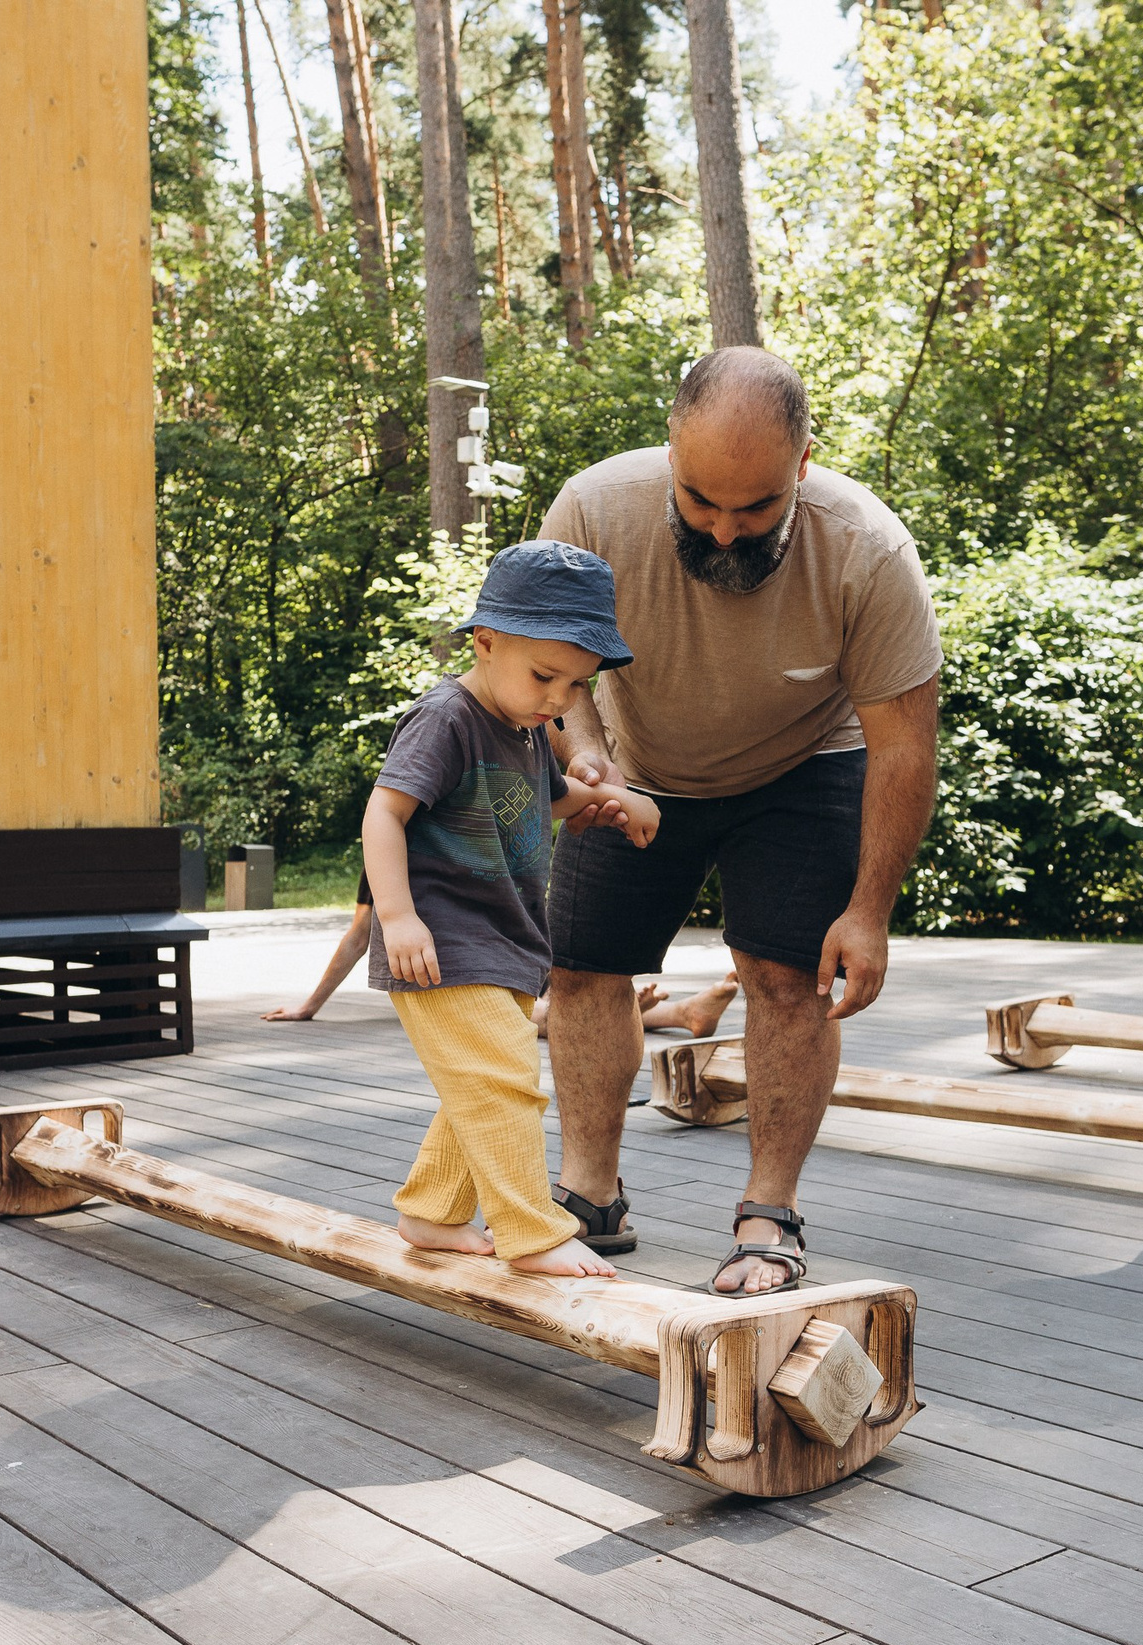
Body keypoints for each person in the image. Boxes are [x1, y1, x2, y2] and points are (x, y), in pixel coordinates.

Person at [536, 347, 942, 1296]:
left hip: (807, 763)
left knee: (785, 975)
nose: (722, 530)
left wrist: (871, 909)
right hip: (638, 769)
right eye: (699, 500)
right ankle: (589, 1193)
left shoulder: (868, 549)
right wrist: (583, 752)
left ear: (803, 465)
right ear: (669, 449)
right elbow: (546, 673)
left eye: (755, 508)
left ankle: (769, 1212)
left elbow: (906, 748)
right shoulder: (593, 510)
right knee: (584, 967)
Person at [366, 541, 655, 1278]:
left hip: (503, 940)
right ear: (486, 641)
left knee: (480, 1080)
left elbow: (551, 800)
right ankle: (532, 1230)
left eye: (576, 685)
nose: (558, 699)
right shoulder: (448, 717)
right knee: (503, 1077)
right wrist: (397, 917)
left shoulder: (525, 727)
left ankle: (429, 1213)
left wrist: (612, 800)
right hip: (441, 940)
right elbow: (384, 813)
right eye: (544, 676)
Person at [261, 874, 740, 1035]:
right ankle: (663, 1012)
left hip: (513, 955)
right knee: (526, 1024)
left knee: (575, 999)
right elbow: (359, 934)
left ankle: (682, 1012)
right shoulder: (393, 840)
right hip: (445, 980)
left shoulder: (490, 824)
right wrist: (310, 1005)